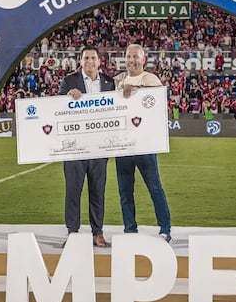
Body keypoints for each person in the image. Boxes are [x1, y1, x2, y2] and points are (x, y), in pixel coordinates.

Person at [113, 43, 172, 242]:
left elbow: (158, 101)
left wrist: (135, 89)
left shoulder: (151, 79)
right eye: (129, 56)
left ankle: (165, 229)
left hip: (145, 145)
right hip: (122, 145)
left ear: (144, 59)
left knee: (155, 188)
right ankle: (130, 229)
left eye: (136, 57)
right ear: (125, 58)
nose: (132, 60)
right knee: (125, 191)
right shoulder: (118, 80)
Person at [58, 45, 115, 248]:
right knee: (73, 190)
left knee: (98, 191)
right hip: (75, 146)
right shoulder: (69, 81)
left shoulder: (109, 83)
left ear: (99, 61)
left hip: (99, 147)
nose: (90, 61)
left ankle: (97, 233)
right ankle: (72, 232)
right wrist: (67, 97)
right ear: (80, 61)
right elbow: (56, 109)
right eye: (86, 58)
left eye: (93, 58)